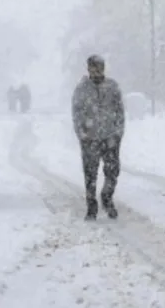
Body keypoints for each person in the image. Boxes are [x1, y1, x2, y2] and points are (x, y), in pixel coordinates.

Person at [71, 54, 125, 220]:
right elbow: (77, 113)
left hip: (110, 137)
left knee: (112, 171)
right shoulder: (82, 89)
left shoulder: (112, 87)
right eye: (93, 68)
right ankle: (91, 205)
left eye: (99, 67)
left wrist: (118, 133)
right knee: (90, 173)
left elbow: (119, 112)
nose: (96, 71)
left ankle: (107, 198)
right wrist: (82, 134)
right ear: (88, 69)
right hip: (90, 138)